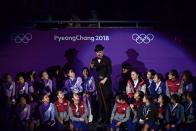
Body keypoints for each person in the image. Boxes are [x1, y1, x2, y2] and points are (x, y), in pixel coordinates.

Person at [90, 44, 113, 124]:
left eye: (99, 52)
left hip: (106, 83)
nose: (98, 54)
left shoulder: (107, 59)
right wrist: (91, 66)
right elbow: (91, 70)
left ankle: (108, 118)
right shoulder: (94, 60)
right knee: (100, 101)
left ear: (103, 51)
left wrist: (105, 80)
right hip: (98, 83)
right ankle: (101, 117)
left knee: (106, 100)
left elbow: (110, 72)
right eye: (97, 52)